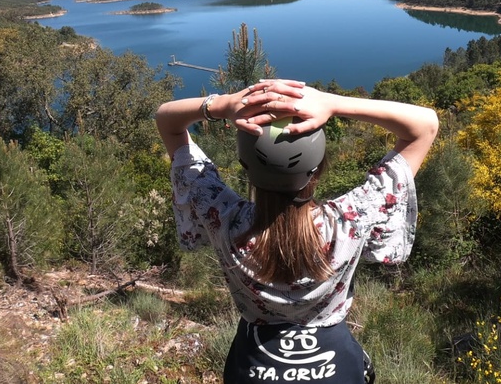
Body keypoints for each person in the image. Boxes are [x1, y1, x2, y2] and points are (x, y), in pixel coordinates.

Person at [155, 79, 439, 383]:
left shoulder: (221, 216)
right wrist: (332, 103)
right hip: (336, 367)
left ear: (244, 165)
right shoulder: (350, 220)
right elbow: (425, 125)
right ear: (318, 168)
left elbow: (167, 120)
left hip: (252, 364)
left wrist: (221, 106)